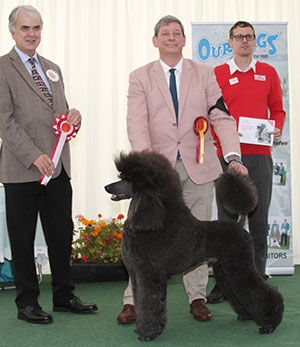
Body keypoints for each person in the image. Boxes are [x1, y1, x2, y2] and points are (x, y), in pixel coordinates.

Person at [117, 15, 247, 324]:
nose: (171, 37)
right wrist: (149, 170)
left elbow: (221, 116)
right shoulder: (140, 77)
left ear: (184, 40)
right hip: (156, 175)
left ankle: (198, 297)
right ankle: (132, 300)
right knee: (144, 240)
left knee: (199, 234)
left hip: (199, 167)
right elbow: (136, 123)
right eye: (165, 33)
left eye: (177, 33)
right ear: (155, 41)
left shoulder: (204, 74)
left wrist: (233, 156)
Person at [0, 5, 98, 324]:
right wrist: (33, 155)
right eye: (26, 28)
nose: (32, 34)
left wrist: (74, 118)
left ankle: (64, 295)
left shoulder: (52, 68)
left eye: (37, 28)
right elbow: (5, 120)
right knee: (23, 238)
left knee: (61, 234)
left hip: (58, 168)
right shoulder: (3, 68)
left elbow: (60, 114)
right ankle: (27, 302)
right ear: (13, 31)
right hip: (22, 170)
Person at [208, 21, 286, 303]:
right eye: (238, 37)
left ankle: (258, 279)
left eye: (249, 37)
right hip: (226, 156)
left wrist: (277, 127)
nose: (244, 41)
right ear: (229, 41)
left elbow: (277, 109)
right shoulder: (217, 74)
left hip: (260, 156)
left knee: (259, 220)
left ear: (255, 42)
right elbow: (211, 112)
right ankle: (223, 284)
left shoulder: (268, 73)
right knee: (227, 223)